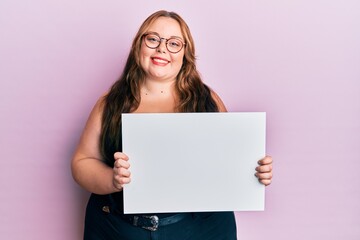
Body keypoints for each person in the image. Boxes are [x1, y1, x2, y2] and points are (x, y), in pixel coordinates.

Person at [71, 10, 273, 240]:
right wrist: (113, 179)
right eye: (153, 39)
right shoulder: (110, 103)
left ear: (186, 53)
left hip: (202, 230)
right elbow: (82, 162)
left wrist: (255, 172)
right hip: (118, 229)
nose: (162, 49)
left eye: (174, 43)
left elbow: (230, 163)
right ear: (139, 44)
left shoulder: (207, 100)